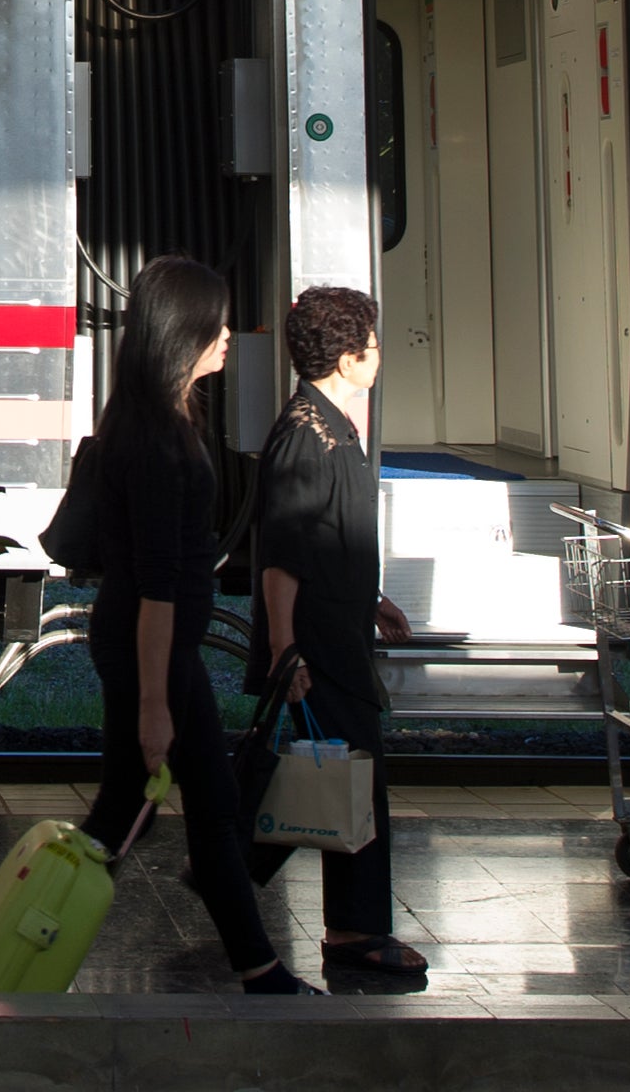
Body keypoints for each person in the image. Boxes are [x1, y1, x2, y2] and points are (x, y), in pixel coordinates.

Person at [80, 255, 313, 994]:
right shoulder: (155, 441)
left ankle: (29, 926)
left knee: (131, 809)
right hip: (151, 647)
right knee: (209, 805)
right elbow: (156, 587)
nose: (228, 338)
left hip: (154, 646)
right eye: (215, 324)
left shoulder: (166, 418)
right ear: (182, 332)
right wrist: (155, 705)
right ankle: (260, 968)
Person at [245, 283, 429, 987]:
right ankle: (352, 929)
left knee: (342, 772)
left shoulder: (329, 423)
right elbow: (283, 555)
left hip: (338, 628)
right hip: (318, 642)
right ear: (348, 357)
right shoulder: (306, 434)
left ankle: (236, 871)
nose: (380, 355)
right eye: (373, 344)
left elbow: (329, 539)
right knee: (355, 775)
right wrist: (286, 646)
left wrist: (372, 597)